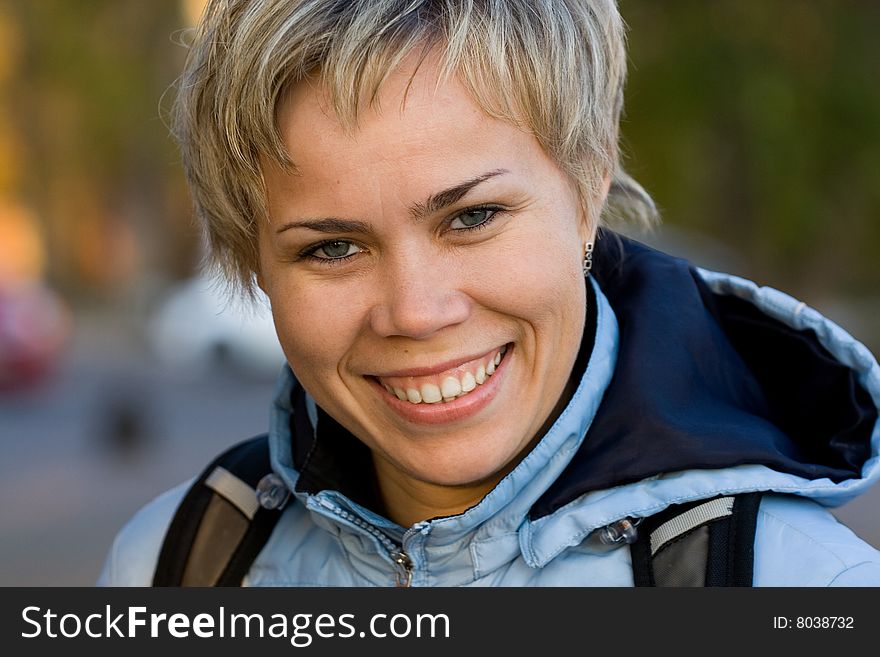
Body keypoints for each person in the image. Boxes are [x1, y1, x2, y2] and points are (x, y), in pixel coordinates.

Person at [98, 0, 880, 587]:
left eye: (472, 216)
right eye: (332, 247)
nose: (415, 309)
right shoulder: (176, 563)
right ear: (253, 260)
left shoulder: (802, 586)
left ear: (587, 182)